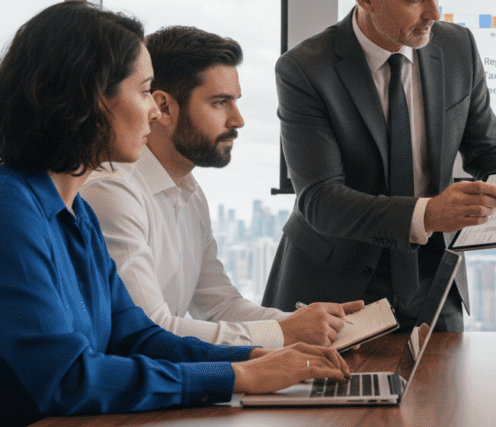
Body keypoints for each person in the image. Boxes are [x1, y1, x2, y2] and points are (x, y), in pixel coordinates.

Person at [0, 2, 348, 426]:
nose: (155, 110)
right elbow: (68, 379)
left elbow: (136, 337)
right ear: (88, 98)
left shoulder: (76, 214)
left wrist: (257, 358)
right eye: (144, 91)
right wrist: (238, 375)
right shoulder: (1, 213)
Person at [264, 0, 496, 330]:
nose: (435, 12)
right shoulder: (305, 69)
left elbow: (485, 147)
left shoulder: (458, 47)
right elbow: (320, 200)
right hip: (334, 290)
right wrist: (427, 214)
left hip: (433, 284)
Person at [81, 25, 363, 349]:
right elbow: (150, 330)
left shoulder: (188, 192)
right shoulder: (113, 193)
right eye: (220, 102)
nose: (238, 120)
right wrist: (285, 334)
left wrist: (312, 325)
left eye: (236, 102)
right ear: (165, 107)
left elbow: (219, 307)